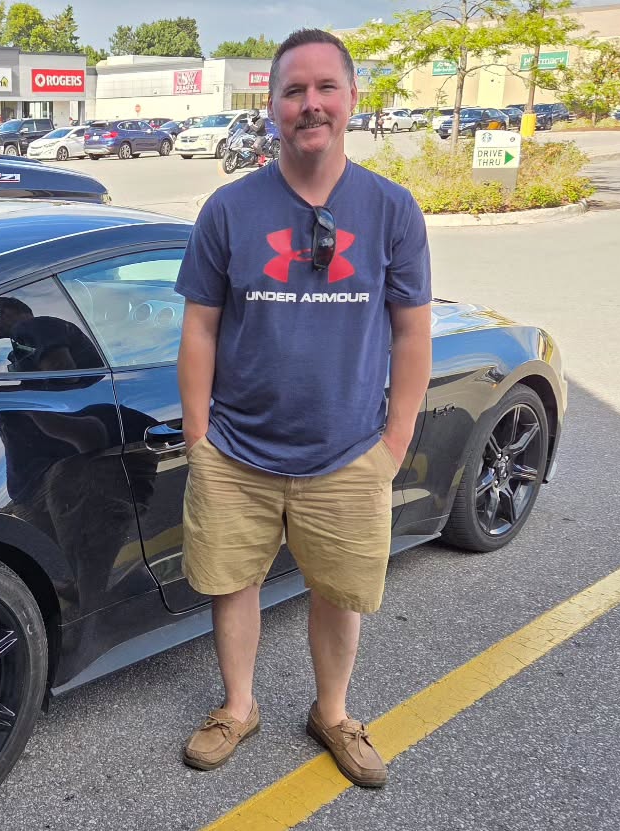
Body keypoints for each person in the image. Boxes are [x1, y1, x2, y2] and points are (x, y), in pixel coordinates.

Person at [173, 28, 432, 788]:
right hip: (235, 451)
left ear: (352, 99)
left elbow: (412, 329)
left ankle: (332, 711)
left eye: (324, 88)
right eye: (292, 91)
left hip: (347, 450)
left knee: (337, 593)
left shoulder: (389, 209)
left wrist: (392, 440)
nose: (309, 104)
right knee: (232, 584)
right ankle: (238, 705)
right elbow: (199, 325)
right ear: (272, 106)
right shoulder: (228, 209)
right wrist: (197, 436)